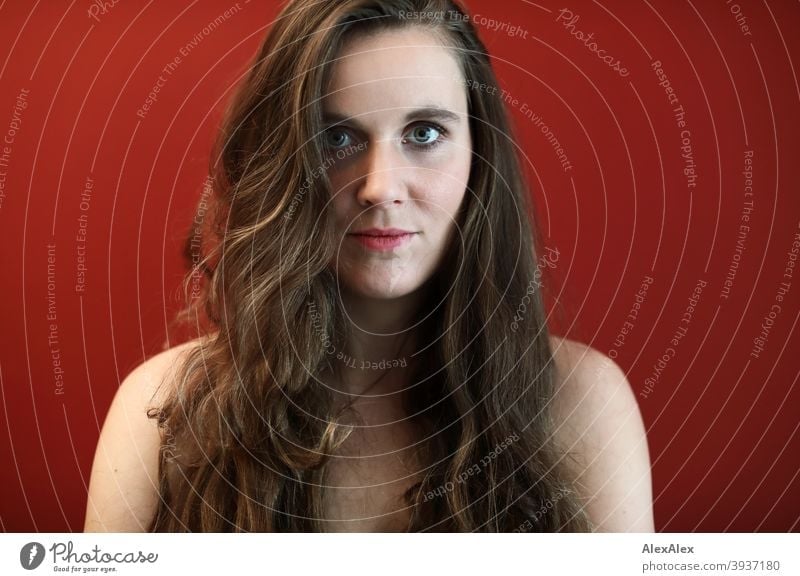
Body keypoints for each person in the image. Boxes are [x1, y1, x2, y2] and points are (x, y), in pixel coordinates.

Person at [83, 0, 654, 533]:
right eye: (337, 137)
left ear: (481, 156)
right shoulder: (158, 414)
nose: (379, 187)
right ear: (283, 159)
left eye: (424, 133)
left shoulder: (583, 406)